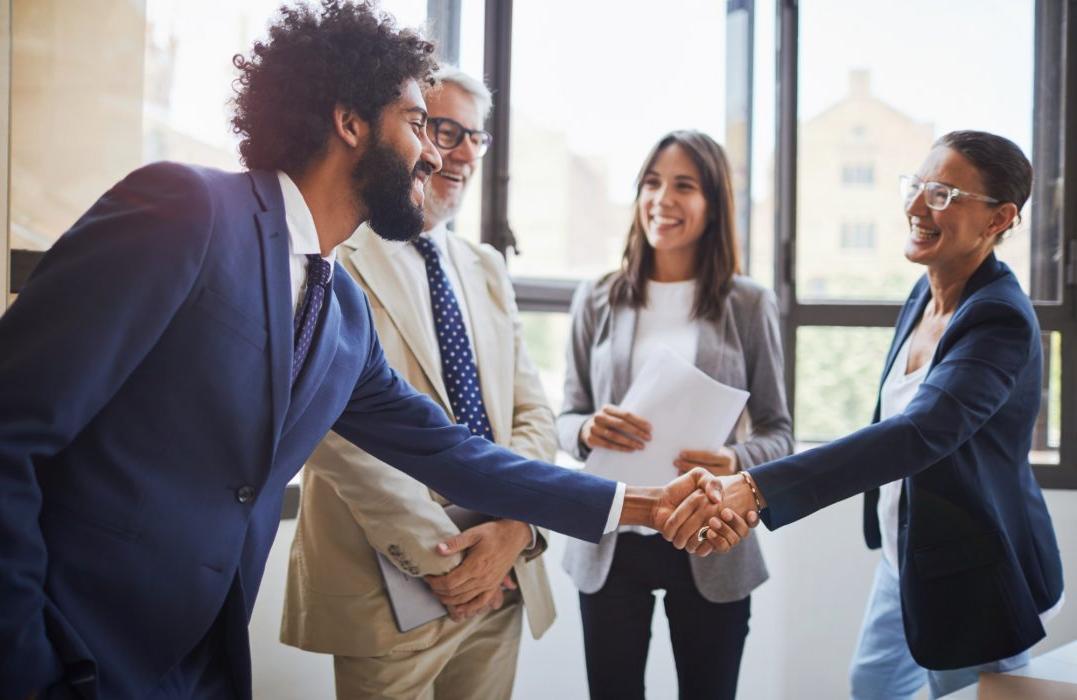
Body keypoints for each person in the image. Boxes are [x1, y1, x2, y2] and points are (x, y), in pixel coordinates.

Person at [0, 3, 744, 698]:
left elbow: (452, 453)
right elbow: (12, 429)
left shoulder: (340, 311)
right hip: (67, 641)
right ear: (349, 121)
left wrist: (642, 505)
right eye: (418, 123)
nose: (433, 152)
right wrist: (24, 660)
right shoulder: (186, 210)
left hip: (191, 662)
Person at [682, 130, 1065, 699]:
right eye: (916, 186)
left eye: (942, 194)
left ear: (997, 219)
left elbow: (916, 434)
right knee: (874, 684)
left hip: (971, 565)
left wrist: (755, 487)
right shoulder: (926, 291)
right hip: (907, 552)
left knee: (971, 692)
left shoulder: (999, 321)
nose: (915, 207)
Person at [280, 66, 556, 700]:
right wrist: (450, 561)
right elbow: (332, 433)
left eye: (475, 138)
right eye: (443, 128)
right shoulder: (335, 253)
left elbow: (532, 413)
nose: (457, 153)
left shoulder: (485, 266)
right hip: (389, 591)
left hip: (502, 581)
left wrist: (514, 529)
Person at [558, 130, 793, 700]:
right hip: (613, 538)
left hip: (710, 536)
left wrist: (735, 458)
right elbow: (565, 415)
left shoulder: (748, 303)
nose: (662, 198)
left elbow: (779, 433)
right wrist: (586, 430)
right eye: (652, 182)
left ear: (712, 205)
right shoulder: (597, 296)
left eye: (683, 186)